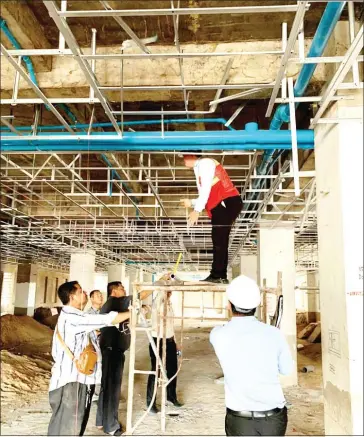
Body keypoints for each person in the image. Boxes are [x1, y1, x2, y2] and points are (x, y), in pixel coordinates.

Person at [210, 275, 294, 436]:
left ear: (229, 305)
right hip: (273, 418)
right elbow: (286, 369)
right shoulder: (274, 334)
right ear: (257, 304)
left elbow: (221, 329)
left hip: (240, 419)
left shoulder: (218, 335)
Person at [47, 281, 130, 436]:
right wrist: (133, 312)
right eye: (80, 291)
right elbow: (107, 320)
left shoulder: (74, 316)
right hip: (71, 383)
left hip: (75, 381)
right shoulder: (72, 317)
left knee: (70, 426)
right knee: (69, 429)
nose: (84, 293)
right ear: (72, 297)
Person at [180, 154, 243, 284]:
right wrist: (192, 203)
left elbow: (206, 190)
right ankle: (219, 275)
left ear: (191, 155)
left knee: (219, 241)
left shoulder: (205, 163)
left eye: (184, 156)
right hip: (222, 204)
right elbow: (207, 194)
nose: (183, 159)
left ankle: (218, 275)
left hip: (225, 203)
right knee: (220, 241)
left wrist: (197, 210)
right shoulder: (200, 167)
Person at [96, 281, 131, 436]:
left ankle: (101, 421)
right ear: (114, 291)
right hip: (113, 351)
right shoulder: (115, 302)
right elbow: (138, 297)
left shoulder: (111, 305)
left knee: (106, 387)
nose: (124, 290)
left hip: (109, 351)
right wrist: (162, 282)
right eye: (122, 288)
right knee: (113, 389)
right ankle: (111, 427)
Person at [146, 291, 182, 414]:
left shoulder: (169, 303)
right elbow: (159, 298)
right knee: (156, 371)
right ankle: (151, 403)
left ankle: (171, 396)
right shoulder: (157, 303)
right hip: (158, 341)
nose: (169, 292)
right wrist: (163, 284)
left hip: (170, 341)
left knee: (172, 370)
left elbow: (171, 325)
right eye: (167, 290)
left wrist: (175, 342)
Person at [87, 290, 104, 402]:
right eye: (98, 296)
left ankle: (99, 392)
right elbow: (93, 331)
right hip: (93, 345)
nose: (100, 297)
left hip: (102, 344)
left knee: (101, 369)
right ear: (92, 299)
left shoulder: (103, 312)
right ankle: (93, 394)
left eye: (101, 295)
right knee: (94, 369)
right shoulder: (89, 314)